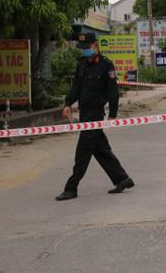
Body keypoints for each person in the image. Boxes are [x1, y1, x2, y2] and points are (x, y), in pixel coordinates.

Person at [55, 33, 134, 201]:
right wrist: (67, 104)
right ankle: (122, 179)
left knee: (83, 151)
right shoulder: (82, 64)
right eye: (82, 49)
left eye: (86, 48)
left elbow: (113, 92)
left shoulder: (106, 65)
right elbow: (76, 86)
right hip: (84, 112)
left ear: (95, 46)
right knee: (100, 149)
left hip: (95, 114)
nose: (84, 51)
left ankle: (71, 187)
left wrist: (112, 114)